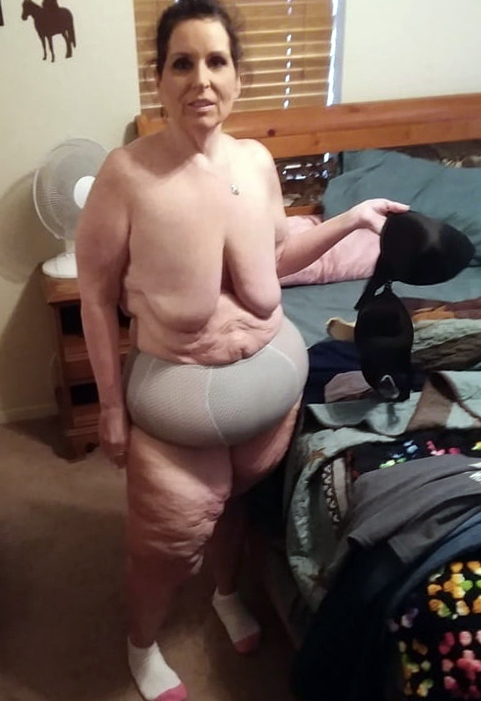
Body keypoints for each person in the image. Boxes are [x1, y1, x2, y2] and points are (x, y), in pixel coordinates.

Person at [75, 1, 409, 699]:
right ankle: (141, 646)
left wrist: (352, 218)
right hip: (177, 392)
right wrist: (109, 408)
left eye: (216, 61)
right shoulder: (126, 175)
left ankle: (228, 593)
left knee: (237, 507)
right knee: (166, 546)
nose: (201, 79)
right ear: (160, 78)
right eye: (182, 62)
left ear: (236, 76)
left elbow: (276, 258)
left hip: (269, 382)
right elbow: (96, 296)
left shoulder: (256, 161)